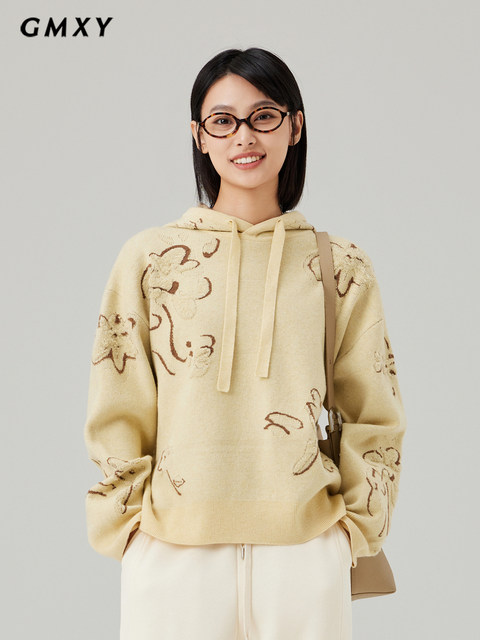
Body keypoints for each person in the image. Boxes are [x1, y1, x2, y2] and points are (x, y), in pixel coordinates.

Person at [83, 47, 407, 640]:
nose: (244, 136)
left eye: (263, 116)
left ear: (295, 126)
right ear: (199, 136)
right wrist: (128, 528)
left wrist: (351, 532)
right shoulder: (150, 258)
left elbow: (375, 411)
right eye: (223, 120)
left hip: (306, 550)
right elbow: (118, 398)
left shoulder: (340, 266)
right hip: (171, 551)